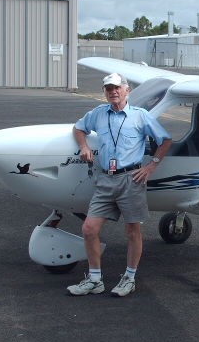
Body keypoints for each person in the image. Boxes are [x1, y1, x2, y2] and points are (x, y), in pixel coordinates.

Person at [67, 72, 172, 297]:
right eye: (108, 89)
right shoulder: (97, 114)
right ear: (104, 92)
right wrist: (84, 147)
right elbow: (78, 128)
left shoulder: (140, 116)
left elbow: (165, 140)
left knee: (132, 230)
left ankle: (129, 278)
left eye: (117, 88)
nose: (113, 92)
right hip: (105, 178)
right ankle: (95, 280)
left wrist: (151, 166)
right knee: (89, 229)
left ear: (127, 90)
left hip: (131, 179)